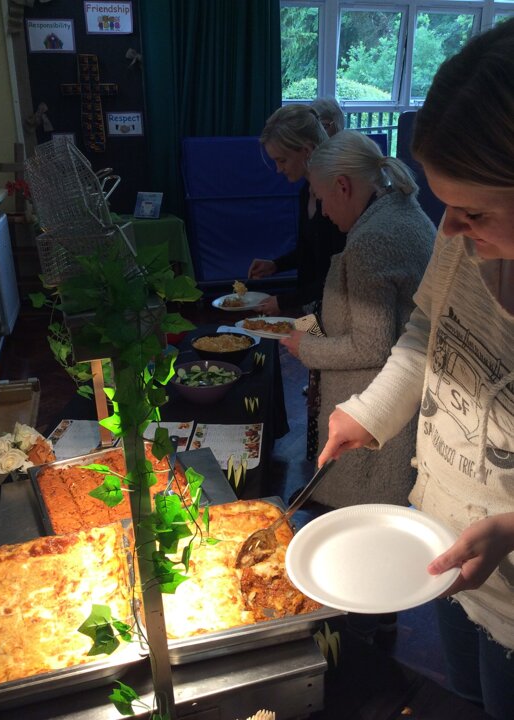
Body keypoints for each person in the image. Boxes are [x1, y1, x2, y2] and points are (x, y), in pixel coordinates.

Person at [317, 19, 514, 720]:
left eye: (472, 211)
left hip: (510, 585)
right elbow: (427, 333)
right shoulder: (465, 244)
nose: (449, 229)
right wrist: (370, 411)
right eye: (445, 205)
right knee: (464, 696)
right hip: (439, 538)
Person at [281, 129, 435, 506]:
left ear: (343, 186)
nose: (323, 212)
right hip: (396, 400)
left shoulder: (371, 240)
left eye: (321, 198)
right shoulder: (403, 210)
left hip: (372, 402)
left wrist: (306, 348)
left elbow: (371, 347)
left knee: (360, 509)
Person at [248, 102, 346, 317]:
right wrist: (275, 265)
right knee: (285, 338)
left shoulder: (338, 200)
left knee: (293, 338)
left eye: (282, 160)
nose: (278, 169)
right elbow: (310, 251)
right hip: (311, 307)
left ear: (307, 151)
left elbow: (337, 275)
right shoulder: (305, 191)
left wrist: (284, 302)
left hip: (336, 313)